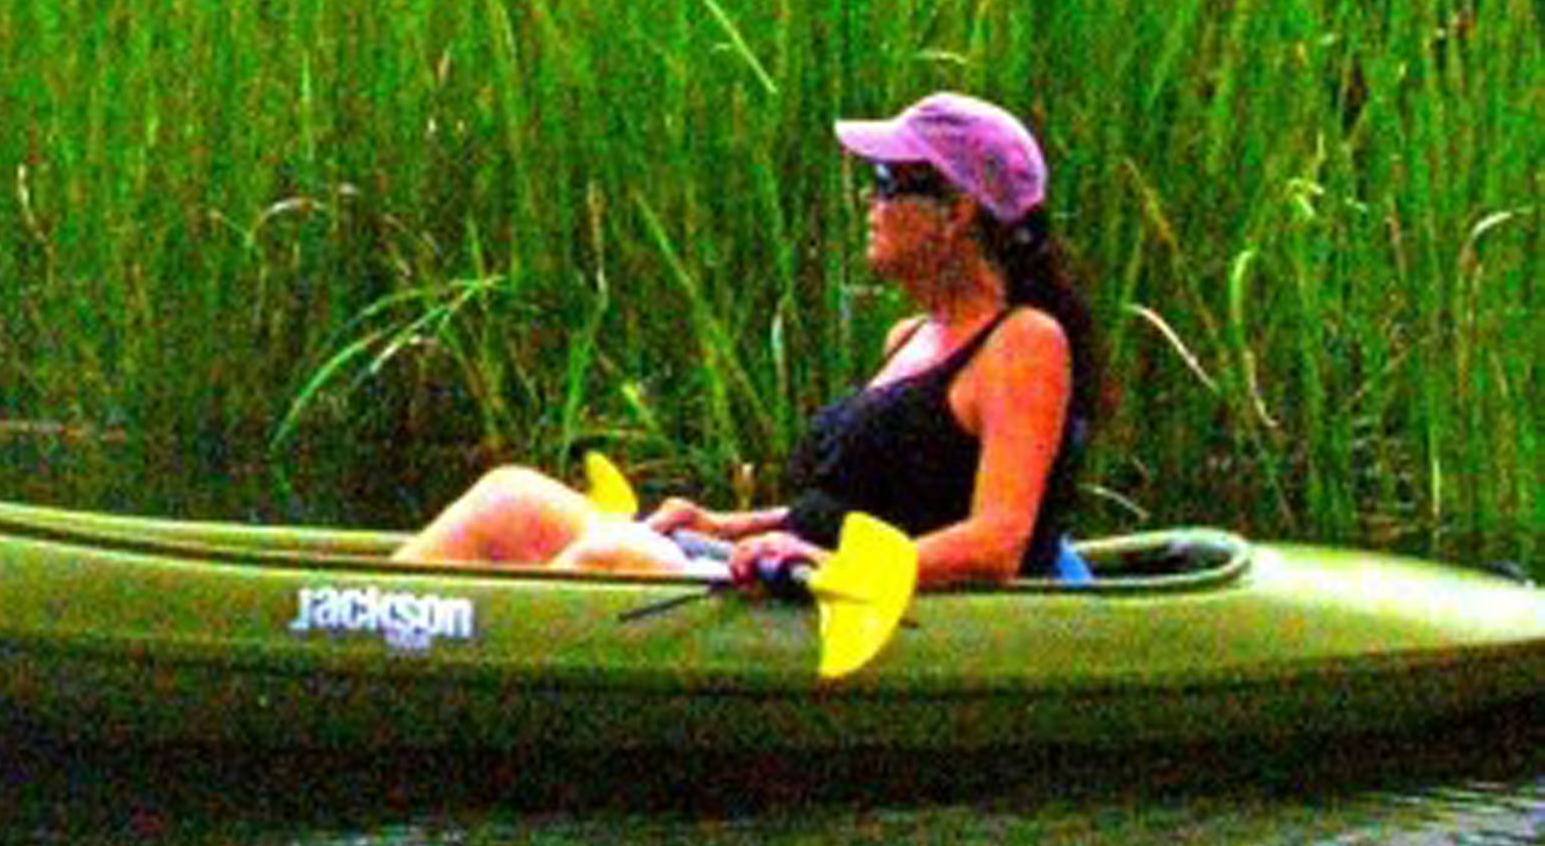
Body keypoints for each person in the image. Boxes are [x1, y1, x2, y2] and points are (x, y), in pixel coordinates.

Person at [392, 92, 1100, 587]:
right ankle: (371, 643)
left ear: (956, 212)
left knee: (608, 554)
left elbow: (996, 543)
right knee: (509, 497)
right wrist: (723, 524)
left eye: (887, 183)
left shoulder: (1024, 343)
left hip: (846, 597)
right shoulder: (909, 336)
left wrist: (830, 566)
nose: (869, 202)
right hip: (786, 570)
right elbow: (855, 505)